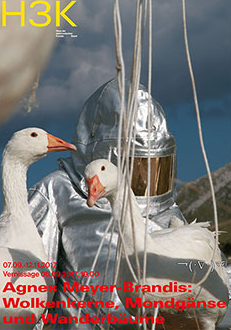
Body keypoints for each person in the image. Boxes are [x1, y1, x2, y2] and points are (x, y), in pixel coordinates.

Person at [29, 78, 187, 330]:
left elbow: (208, 272)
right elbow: (29, 283)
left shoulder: (164, 205)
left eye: (154, 167)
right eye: (135, 167)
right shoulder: (57, 190)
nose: (143, 178)